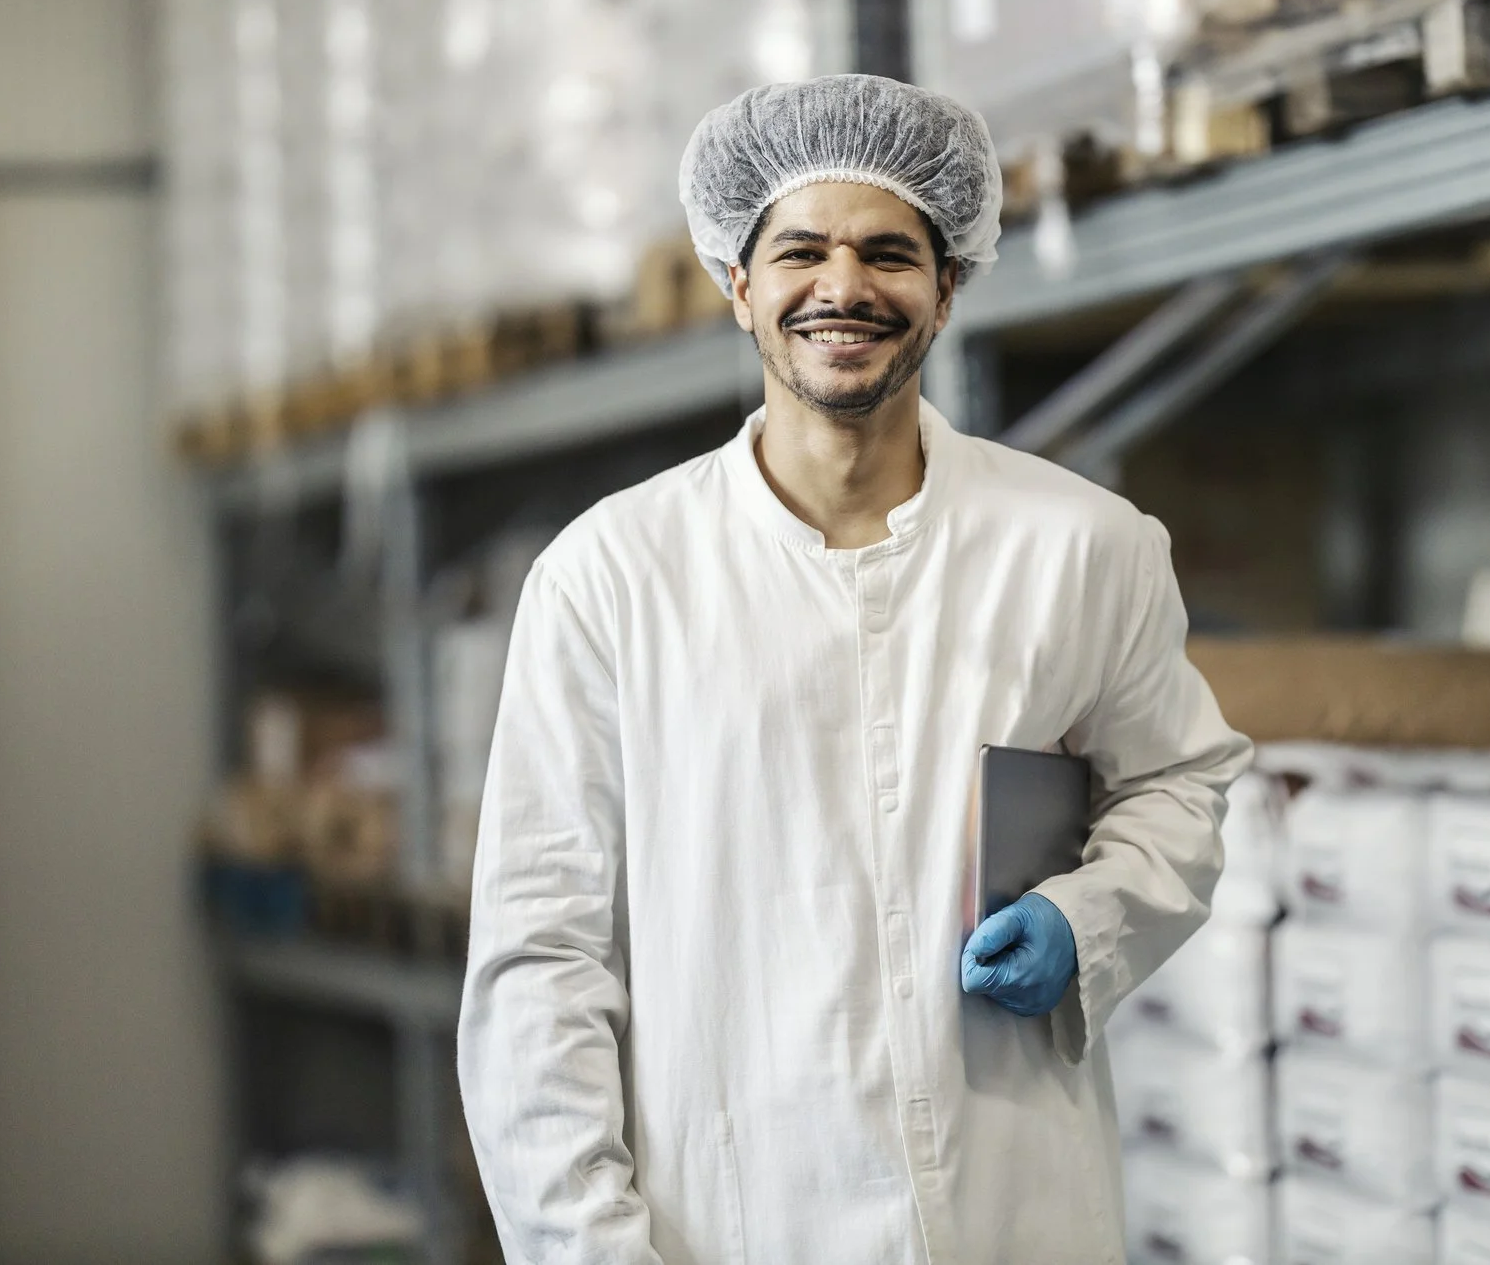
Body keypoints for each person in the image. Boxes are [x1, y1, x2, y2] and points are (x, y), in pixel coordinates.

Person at [457, 73, 1251, 1264]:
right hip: (734, 1224)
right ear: (738, 284)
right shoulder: (612, 578)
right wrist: (586, 1245)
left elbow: (1179, 786)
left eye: (889, 252)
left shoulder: (1083, 547)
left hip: (1015, 1214)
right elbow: (542, 955)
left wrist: (1087, 915)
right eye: (800, 253)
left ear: (947, 291)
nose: (843, 287)